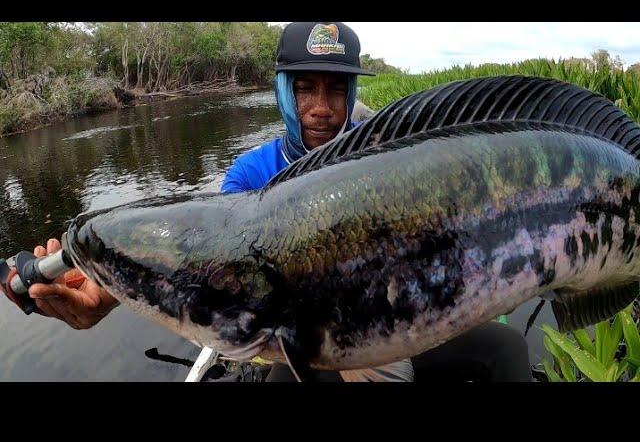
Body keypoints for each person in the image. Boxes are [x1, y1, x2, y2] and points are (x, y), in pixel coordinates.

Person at [0, 22, 532, 382]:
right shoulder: (251, 176)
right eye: (306, 90)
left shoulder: (393, 156)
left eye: (336, 90)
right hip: (312, 340)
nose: (321, 109)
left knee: (505, 351)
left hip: (407, 320)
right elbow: (210, 258)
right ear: (283, 92)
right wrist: (106, 292)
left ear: (351, 95)